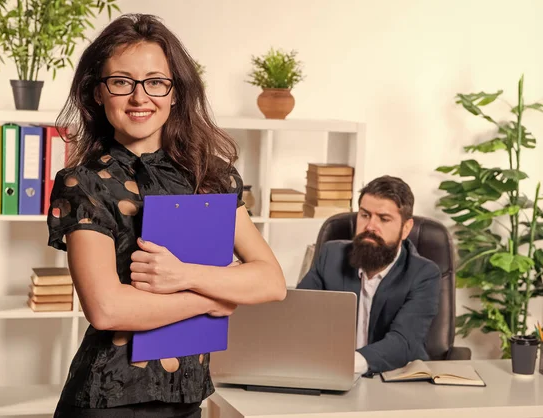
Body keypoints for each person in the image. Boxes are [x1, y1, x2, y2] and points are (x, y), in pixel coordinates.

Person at [46, 13, 286, 418]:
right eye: (122, 82)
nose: (141, 98)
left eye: (156, 82)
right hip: (109, 401)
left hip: (190, 398)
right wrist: (215, 295)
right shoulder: (83, 183)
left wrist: (185, 276)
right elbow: (107, 309)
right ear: (98, 93)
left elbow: (271, 281)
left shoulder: (212, 175)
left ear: (175, 93)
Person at [297, 175, 440, 376]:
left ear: (406, 228)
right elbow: (298, 314)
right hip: (329, 375)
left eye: (383, 218)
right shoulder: (331, 256)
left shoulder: (423, 274)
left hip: (394, 380)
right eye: (364, 215)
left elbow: (403, 341)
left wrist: (348, 364)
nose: (370, 226)